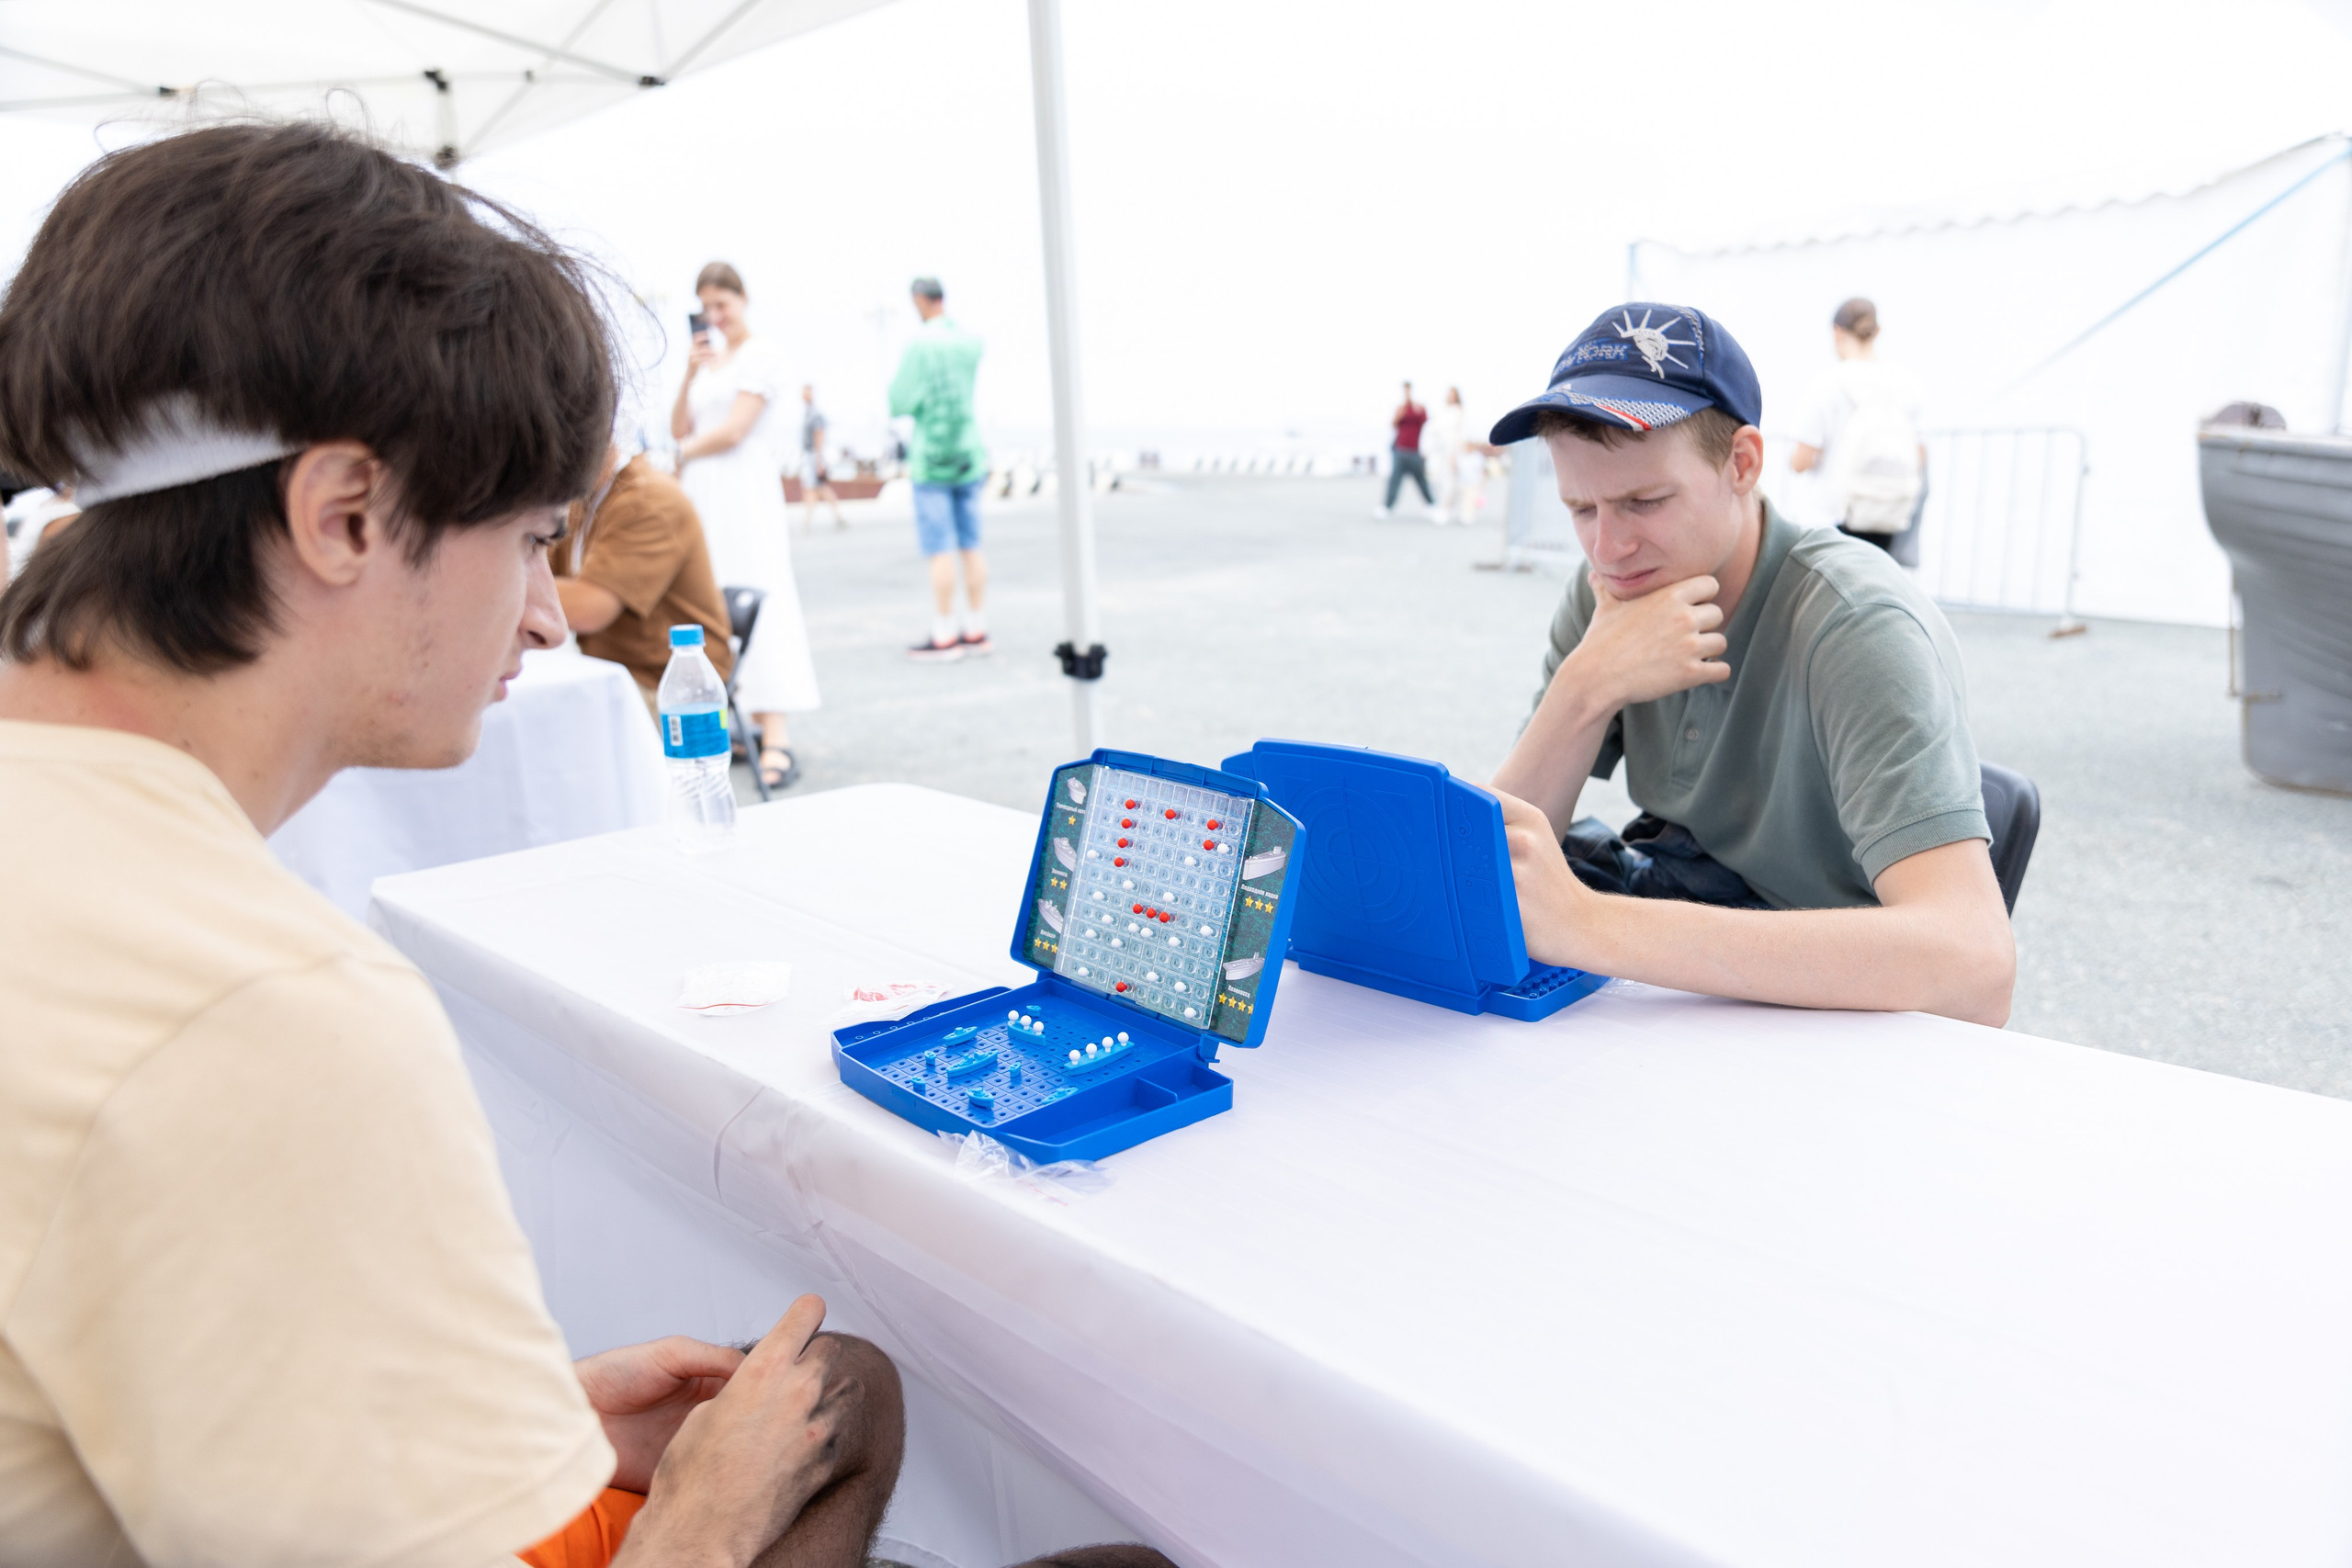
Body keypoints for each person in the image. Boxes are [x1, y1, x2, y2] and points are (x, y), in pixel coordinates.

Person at [0, 121, 907, 1568]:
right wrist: (705, 1520)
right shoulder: (257, 1011)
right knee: (858, 1407)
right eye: (531, 536)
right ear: (346, 512)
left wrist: (518, 1421)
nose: (546, 614)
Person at [1485, 303, 2014, 1026]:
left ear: (1743, 463)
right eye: (1581, 509)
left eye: (1645, 501)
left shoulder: (1855, 624)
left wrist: (1589, 924)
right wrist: (1587, 686)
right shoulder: (1612, 589)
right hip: (1700, 932)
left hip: (1834, 1007)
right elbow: (1482, 874)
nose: (1607, 549)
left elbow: (1975, 964)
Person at [673, 262, 820, 791]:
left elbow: (735, 430)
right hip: (701, 488)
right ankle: (733, 720)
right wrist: (691, 372)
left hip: (738, 485)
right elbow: (680, 424)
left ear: (741, 299)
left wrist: (676, 452)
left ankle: (775, 730)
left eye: (721, 304)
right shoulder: (710, 361)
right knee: (706, 599)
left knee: (759, 590)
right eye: (705, 307)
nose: (714, 316)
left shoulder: (762, 353)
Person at [552, 443, 735, 711]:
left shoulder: (648, 497)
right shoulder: (587, 497)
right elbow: (541, 575)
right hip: (618, 672)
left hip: (671, 687)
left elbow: (588, 607)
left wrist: (497, 590)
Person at [889, 276, 990, 660]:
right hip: (968, 451)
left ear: (919, 299)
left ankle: (945, 633)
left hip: (932, 456)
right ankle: (977, 628)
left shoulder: (919, 344)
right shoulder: (970, 341)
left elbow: (898, 399)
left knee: (940, 549)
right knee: (972, 544)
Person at [1789, 297, 1926, 558]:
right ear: (1877, 332)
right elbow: (1919, 456)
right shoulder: (1907, 384)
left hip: (1834, 517)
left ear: (1837, 333)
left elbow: (1801, 461)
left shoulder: (1828, 384)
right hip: (1886, 517)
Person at [1431, 386, 1493, 526]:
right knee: (1448, 480)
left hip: (1454, 450)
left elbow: (1459, 433)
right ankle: (1449, 508)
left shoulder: (1459, 412)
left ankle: (1450, 509)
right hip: (1445, 450)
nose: (1450, 397)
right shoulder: (1445, 411)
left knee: (1457, 482)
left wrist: (1458, 452)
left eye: (1452, 394)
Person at [1374, 380, 1432, 517]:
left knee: (1421, 480)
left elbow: (1426, 422)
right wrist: (1399, 414)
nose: (1406, 393)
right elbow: (1393, 424)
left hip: (1415, 450)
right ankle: (1386, 507)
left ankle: (1431, 504)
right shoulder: (1400, 409)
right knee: (1394, 479)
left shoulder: (1419, 408)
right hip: (1400, 450)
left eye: (1408, 390)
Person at [798, 384, 847, 531]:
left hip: (813, 455)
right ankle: (837, 517)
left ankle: (807, 522)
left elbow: (819, 435)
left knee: (812, 488)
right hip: (811, 455)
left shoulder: (814, 414)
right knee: (818, 488)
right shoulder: (808, 413)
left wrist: (819, 460)